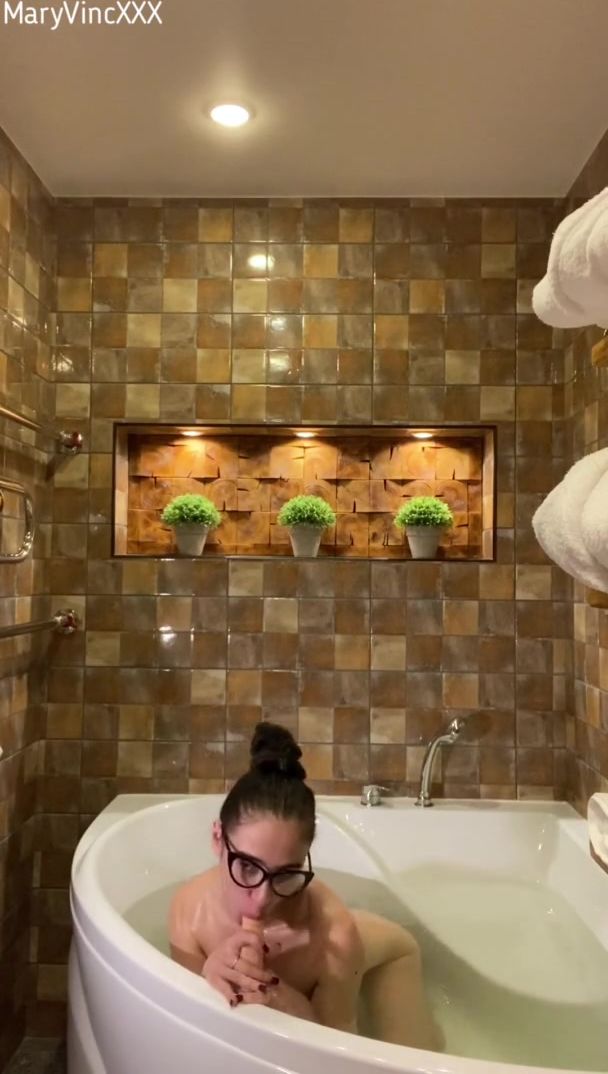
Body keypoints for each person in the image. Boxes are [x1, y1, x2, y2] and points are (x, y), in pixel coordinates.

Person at [169, 722, 439, 1050]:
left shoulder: (334, 938)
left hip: (390, 954)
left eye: (285, 874)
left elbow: (338, 1055)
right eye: (247, 866)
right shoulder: (190, 912)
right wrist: (205, 979)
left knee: (412, 1059)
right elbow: (190, 1027)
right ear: (217, 839)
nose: (262, 898)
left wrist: (281, 996)